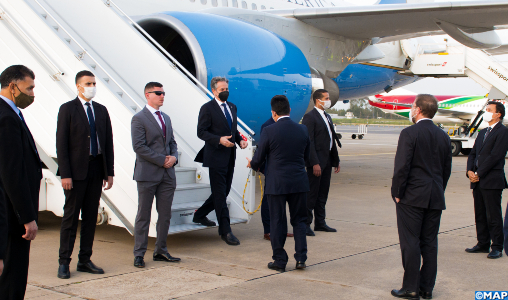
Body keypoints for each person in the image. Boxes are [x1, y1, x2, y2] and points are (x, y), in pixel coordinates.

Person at [390, 94, 452, 300]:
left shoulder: (409, 133)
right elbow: (446, 170)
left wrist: (397, 192)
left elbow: (402, 167)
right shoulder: (443, 135)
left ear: (417, 109)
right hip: (435, 195)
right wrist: (438, 190)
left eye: (412, 106)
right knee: (429, 243)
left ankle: (410, 287)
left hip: (412, 196)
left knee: (410, 242)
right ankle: (427, 288)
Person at [56, 70, 114, 279]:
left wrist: (109, 173)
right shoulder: (68, 109)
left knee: (90, 218)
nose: (92, 86)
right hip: (75, 173)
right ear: (78, 86)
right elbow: (61, 144)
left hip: (96, 169)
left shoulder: (101, 110)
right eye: (88, 83)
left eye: (94, 83)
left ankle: (85, 259)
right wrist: (65, 174)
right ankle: (64, 262)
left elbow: (107, 143)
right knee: (70, 218)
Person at [247, 95, 310, 273]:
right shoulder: (303, 130)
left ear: (274, 113)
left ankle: (280, 260)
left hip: (277, 184)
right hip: (299, 182)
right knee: (299, 221)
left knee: (277, 221)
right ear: (290, 110)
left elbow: (258, 159)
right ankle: (301, 259)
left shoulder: (269, 131)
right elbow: (307, 157)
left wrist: (251, 163)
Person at [0, 65, 42, 299]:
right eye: (30, 88)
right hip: (13, 214)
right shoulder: (6, 117)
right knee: (13, 274)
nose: (32, 94)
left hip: (9, 211)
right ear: (13, 86)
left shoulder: (12, 112)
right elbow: (11, 172)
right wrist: (27, 217)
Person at [193, 77, 248, 246]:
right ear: (214, 91)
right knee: (220, 194)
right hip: (216, 156)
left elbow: (233, 128)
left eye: (227, 89)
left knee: (222, 192)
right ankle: (225, 230)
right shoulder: (207, 108)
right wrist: (219, 140)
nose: (225, 92)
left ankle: (200, 215)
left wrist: (240, 140)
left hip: (230, 155)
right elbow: (201, 132)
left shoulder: (232, 107)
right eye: (222, 89)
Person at [131, 82, 180, 268]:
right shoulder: (139, 118)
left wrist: (173, 158)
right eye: (158, 93)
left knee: (165, 215)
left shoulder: (166, 118)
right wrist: (162, 160)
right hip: (148, 174)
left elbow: (172, 143)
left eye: (163, 93)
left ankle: (161, 250)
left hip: (167, 175)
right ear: (147, 95)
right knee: (143, 215)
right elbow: (139, 147)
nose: (162, 96)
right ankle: (139, 254)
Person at [465, 101, 508, 259]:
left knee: (493, 215)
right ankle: (482, 243)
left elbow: (496, 156)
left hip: (491, 180)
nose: (486, 112)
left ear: (498, 114)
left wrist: (479, 173)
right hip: (477, 180)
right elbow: (473, 154)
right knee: (480, 214)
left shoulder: (503, 132)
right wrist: (470, 170)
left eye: (489, 110)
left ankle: (496, 246)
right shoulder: (483, 132)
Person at [302, 89, 341, 236]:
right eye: (326, 98)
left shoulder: (327, 116)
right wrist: (314, 163)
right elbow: (309, 142)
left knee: (323, 193)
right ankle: (305, 224)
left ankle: (320, 222)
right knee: (311, 194)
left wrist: (336, 160)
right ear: (318, 100)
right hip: (316, 163)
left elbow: (332, 140)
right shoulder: (310, 117)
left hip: (327, 161)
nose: (328, 100)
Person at [258, 117, 294, 241]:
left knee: (282, 199)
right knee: (268, 200)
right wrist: (261, 167)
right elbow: (262, 149)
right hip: (271, 169)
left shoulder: (288, 124)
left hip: (285, 169)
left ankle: (281, 230)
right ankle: (268, 230)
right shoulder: (267, 126)